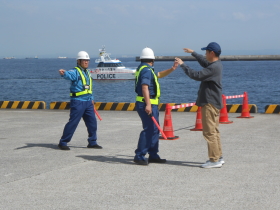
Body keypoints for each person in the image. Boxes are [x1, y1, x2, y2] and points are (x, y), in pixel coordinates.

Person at [175, 42, 224, 168]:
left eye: (206, 52)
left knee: (209, 132)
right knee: (214, 131)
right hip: (214, 102)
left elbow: (196, 75)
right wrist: (193, 53)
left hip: (209, 103)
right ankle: (218, 156)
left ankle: (214, 160)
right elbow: (204, 62)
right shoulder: (216, 65)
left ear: (211, 53)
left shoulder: (213, 68)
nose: (205, 54)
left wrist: (182, 65)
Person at [134, 47, 178, 165]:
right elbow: (144, 87)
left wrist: (172, 69)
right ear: (152, 60)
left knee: (154, 130)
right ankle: (139, 155)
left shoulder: (145, 69)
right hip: (147, 104)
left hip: (148, 104)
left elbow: (158, 75)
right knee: (149, 129)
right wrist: (148, 104)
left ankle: (153, 154)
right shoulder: (147, 71)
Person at [58, 51, 102, 150]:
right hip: (78, 102)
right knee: (73, 122)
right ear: (79, 61)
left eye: (87, 60)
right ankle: (63, 142)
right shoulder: (75, 71)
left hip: (88, 102)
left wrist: (92, 99)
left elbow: (89, 88)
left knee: (92, 123)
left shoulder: (87, 72)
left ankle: (92, 142)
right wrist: (64, 73)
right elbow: (68, 74)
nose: (86, 62)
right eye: (84, 60)